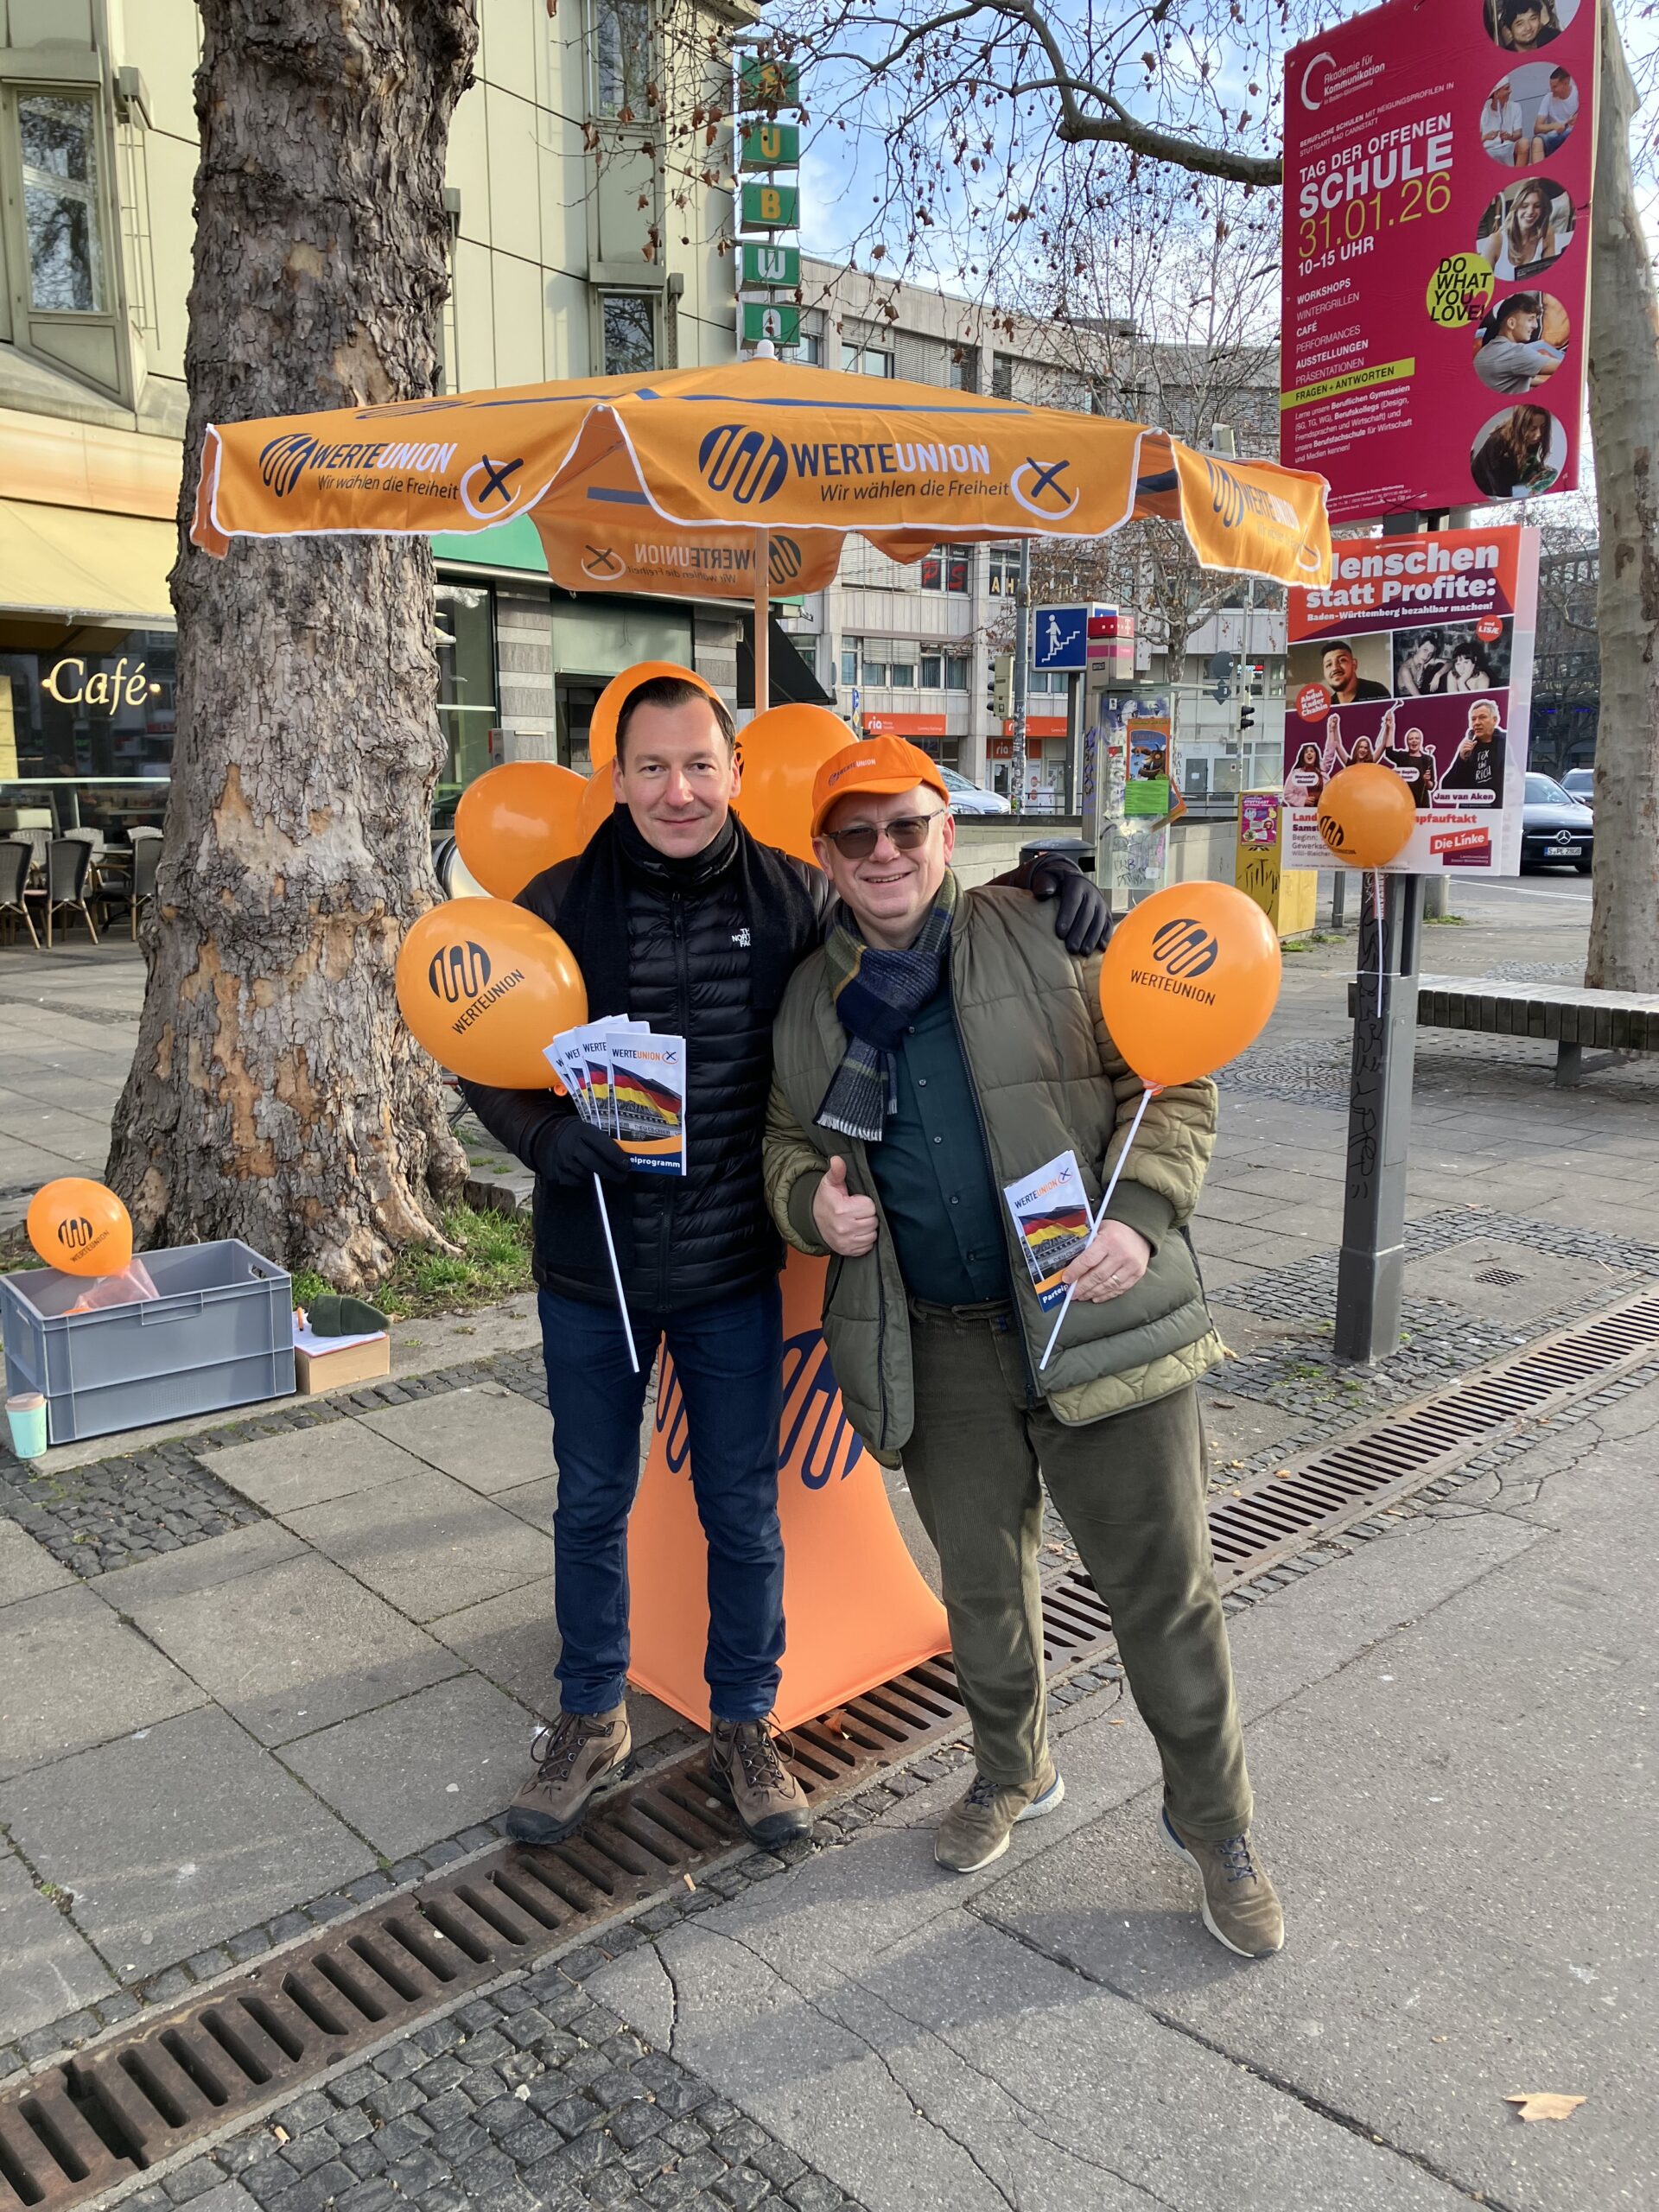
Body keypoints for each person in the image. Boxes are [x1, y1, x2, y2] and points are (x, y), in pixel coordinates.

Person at [459, 679, 1109, 1853]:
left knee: (742, 1510)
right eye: (652, 768)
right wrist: (546, 1140)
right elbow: (474, 1043)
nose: (678, 790)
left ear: (737, 776)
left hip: (729, 1267)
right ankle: (591, 1712)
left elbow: (908, 928)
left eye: (700, 765)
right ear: (616, 777)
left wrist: (1039, 889)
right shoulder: (555, 903)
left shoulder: (797, 895)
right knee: (591, 1501)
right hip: (592, 1263)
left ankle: (746, 1720)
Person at [762, 736, 1282, 1959]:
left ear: (947, 831)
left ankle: (1217, 1830)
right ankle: (1011, 1771)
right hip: (933, 1348)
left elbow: (1180, 1078)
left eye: (905, 828)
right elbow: (785, 1141)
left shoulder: (1051, 931)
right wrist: (808, 1206)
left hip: (1093, 1320)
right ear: (825, 859)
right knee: (983, 1592)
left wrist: (1143, 1221)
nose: (884, 855)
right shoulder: (806, 999)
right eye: (856, 837)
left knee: (1163, 1594)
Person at [1474, 293, 1565, 394]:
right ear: (1511, 323)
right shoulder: (1516, 353)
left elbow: (1510, 372)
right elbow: (1567, 366)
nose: (1535, 326)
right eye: (1530, 319)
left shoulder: (1484, 352)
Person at [1478, 178, 1565, 279]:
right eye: (1524, 206)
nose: (1530, 211)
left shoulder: (1546, 234)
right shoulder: (1496, 241)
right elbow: (1482, 285)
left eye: (1537, 206)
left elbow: (1549, 278)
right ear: (1516, 208)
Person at [1471, 402, 1558, 498]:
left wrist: (1538, 469)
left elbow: (1528, 460)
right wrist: (1530, 488)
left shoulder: (1532, 439)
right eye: (1533, 428)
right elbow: (1501, 491)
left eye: (1543, 427)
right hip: (1487, 491)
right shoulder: (1497, 444)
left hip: (1513, 481)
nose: (1538, 435)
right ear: (1520, 427)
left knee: (1552, 473)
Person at [1438, 698, 1509, 804]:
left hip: (1497, 811)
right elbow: (1446, 786)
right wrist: (1461, 760)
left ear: (1494, 720)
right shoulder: (1469, 747)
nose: (1477, 723)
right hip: (1471, 813)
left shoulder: (1507, 742)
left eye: (1482, 717)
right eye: (1473, 719)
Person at [1379, 709, 1438, 810]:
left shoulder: (1428, 759)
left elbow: (1431, 786)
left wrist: (1427, 781)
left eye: (1416, 738)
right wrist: (1391, 728)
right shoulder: (1402, 757)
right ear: (1407, 742)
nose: (1414, 741)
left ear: (1420, 741)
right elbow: (1389, 752)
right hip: (1404, 804)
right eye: (1411, 739)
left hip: (1422, 804)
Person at [1527, 66, 1579, 161]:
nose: (1551, 90)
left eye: (1555, 87)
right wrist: (1554, 126)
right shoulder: (1548, 98)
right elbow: (1537, 128)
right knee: (1537, 141)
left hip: (1573, 135)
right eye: (1551, 86)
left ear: (1566, 82)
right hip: (1553, 137)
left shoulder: (1578, 94)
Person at [1320, 640, 1389, 704]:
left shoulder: (1377, 692)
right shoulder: (1329, 706)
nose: (1335, 668)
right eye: (1329, 665)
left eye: (1342, 660)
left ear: (1354, 665)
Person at [1479, 79, 1524, 165]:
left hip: (1509, 146)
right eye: (1507, 88)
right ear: (1496, 94)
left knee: (1524, 143)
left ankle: (1519, 176)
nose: (1510, 91)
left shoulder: (1515, 107)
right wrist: (1486, 137)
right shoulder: (1483, 112)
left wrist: (1509, 137)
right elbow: (1474, 143)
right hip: (1489, 150)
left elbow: (1518, 134)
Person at [1395, 632, 1446, 698]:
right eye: (1425, 650)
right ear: (1417, 647)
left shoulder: (1424, 661)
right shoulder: (1406, 670)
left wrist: (1438, 675)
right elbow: (1418, 698)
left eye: (1430, 654)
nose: (1427, 656)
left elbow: (1450, 663)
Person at [1283, 741, 1325, 807]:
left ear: (1316, 755)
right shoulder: (1296, 773)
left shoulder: (1322, 773)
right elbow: (1287, 794)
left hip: (1322, 811)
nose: (1309, 753)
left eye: (1312, 751)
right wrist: (1303, 800)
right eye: (1306, 752)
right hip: (1303, 814)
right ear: (1303, 756)